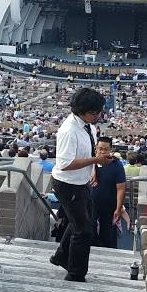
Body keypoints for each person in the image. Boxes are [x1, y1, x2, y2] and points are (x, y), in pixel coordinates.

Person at [49, 87, 112, 281]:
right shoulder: (69, 131)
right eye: (95, 112)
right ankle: (75, 273)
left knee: (81, 221)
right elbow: (64, 163)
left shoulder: (88, 126)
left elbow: (88, 154)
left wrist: (94, 169)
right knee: (83, 230)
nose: (99, 116)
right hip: (68, 185)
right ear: (83, 111)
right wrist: (96, 161)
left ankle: (61, 256)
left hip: (81, 182)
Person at [90, 136, 126, 248]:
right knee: (89, 232)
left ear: (111, 150)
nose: (102, 151)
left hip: (109, 205)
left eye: (106, 149)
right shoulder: (90, 162)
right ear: (96, 148)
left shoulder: (117, 165)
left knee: (107, 236)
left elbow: (121, 188)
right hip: (91, 204)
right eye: (100, 148)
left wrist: (118, 208)